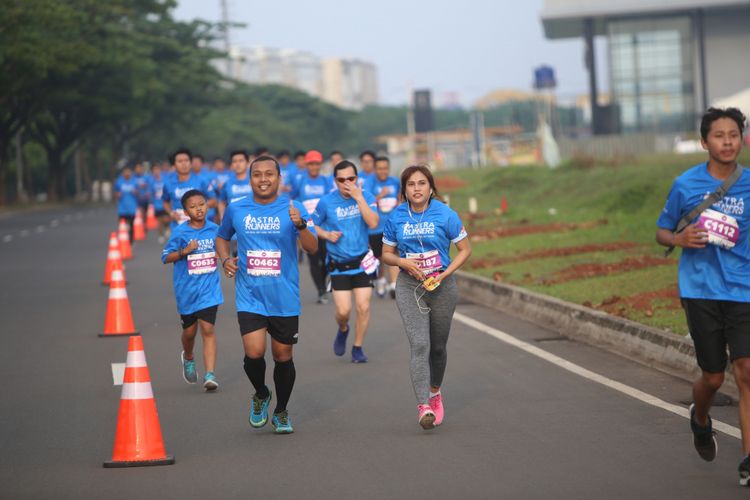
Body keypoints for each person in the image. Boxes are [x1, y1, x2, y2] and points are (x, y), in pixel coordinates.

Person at [655, 107, 750, 485]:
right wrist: (679, 238)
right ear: (704, 141)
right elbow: (662, 232)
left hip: (744, 289)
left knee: (746, 371)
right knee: (712, 376)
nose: (727, 142)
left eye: (734, 134)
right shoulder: (685, 184)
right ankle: (700, 417)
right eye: (719, 135)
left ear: (742, 139)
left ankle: (748, 460)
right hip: (700, 289)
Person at [216, 155, 318, 434]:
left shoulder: (292, 208)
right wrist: (225, 260)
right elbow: (222, 237)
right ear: (250, 179)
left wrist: (301, 226)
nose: (263, 179)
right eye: (257, 174)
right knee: (254, 352)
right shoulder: (236, 209)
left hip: (284, 296)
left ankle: (282, 411)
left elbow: (312, 248)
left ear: (279, 179)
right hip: (250, 294)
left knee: (283, 355)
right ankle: (261, 393)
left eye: (269, 174)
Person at [382, 164, 471, 430]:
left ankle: (434, 392)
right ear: (404, 190)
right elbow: (385, 254)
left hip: (442, 286)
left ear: (431, 188)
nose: (417, 189)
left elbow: (465, 250)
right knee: (419, 345)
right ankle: (423, 407)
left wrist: (445, 275)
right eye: (411, 185)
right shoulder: (396, 217)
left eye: (422, 183)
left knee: (438, 347)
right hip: (410, 287)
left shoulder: (446, 214)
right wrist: (403, 263)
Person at [312, 160, 379, 363]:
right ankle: (343, 328)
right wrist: (325, 234)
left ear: (356, 179)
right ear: (335, 181)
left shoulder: (366, 197)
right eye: (341, 180)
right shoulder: (326, 202)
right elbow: (310, 225)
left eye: (350, 179)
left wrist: (359, 199)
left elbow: (374, 222)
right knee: (343, 312)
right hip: (338, 264)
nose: (346, 183)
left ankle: (357, 347)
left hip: (362, 262)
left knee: (363, 307)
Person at [162, 190, 223, 391]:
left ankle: (210, 374)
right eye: (193, 206)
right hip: (186, 291)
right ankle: (188, 356)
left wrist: (225, 260)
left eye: (202, 204)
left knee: (208, 329)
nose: (199, 209)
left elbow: (223, 252)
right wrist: (184, 252)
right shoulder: (180, 232)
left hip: (209, 289)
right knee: (189, 332)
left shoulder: (215, 230)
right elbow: (165, 257)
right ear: (186, 211)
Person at [292, 150, 334, 303]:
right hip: (307, 227)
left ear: (320, 165)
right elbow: (293, 199)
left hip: (324, 227)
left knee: (326, 259)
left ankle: (325, 283)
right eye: (311, 164)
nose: (314, 167)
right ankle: (321, 290)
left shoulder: (326, 181)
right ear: (306, 165)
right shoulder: (300, 181)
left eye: (316, 164)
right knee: (314, 259)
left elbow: (331, 200)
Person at [364, 155, 401, 298]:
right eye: (380, 169)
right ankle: (380, 279)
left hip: (393, 227)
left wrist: (399, 201)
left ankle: (393, 285)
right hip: (375, 228)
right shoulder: (369, 183)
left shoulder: (395, 182)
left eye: (385, 168)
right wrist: (380, 195)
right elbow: (366, 202)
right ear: (375, 169)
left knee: (393, 254)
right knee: (378, 257)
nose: (383, 171)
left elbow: (401, 197)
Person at [162, 148, 216, 229]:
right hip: (178, 227)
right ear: (174, 165)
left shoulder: (202, 181)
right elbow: (165, 202)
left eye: (186, 160)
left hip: (200, 227)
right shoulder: (168, 184)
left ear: (191, 163)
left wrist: (198, 208)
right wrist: (171, 213)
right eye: (180, 161)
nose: (184, 164)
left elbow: (214, 201)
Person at [218, 150, 252, 221]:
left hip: (252, 220)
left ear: (248, 163)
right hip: (233, 221)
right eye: (234, 161)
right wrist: (222, 217)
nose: (238, 164)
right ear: (231, 164)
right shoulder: (227, 183)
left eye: (241, 161)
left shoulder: (254, 180)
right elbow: (221, 201)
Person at [114, 166, 138, 242]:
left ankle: (131, 241)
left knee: (131, 226)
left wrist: (135, 192)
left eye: (128, 172)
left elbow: (138, 193)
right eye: (125, 172)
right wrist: (117, 194)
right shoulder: (119, 182)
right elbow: (115, 192)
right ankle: (122, 240)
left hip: (132, 208)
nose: (127, 173)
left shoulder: (134, 181)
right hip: (122, 208)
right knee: (122, 226)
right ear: (123, 173)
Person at [150, 163, 170, 244]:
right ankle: (161, 235)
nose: (156, 172)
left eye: (157, 170)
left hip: (165, 203)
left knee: (166, 219)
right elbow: (151, 193)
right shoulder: (152, 182)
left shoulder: (165, 179)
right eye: (154, 170)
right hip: (156, 204)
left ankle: (167, 229)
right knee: (159, 221)